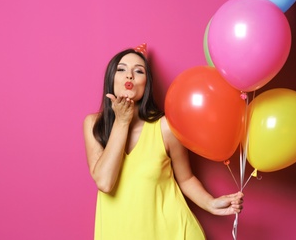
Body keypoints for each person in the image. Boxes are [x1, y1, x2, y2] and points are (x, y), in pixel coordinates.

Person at [83, 43, 244, 239]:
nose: (129, 76)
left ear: (146, 84)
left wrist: (211, 203)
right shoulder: (93, 124)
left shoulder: (165, 127)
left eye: (139, 71)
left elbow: (185, 178)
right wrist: (122, 122)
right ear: (111, 79)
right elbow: (105, 182)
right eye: (121, 69)